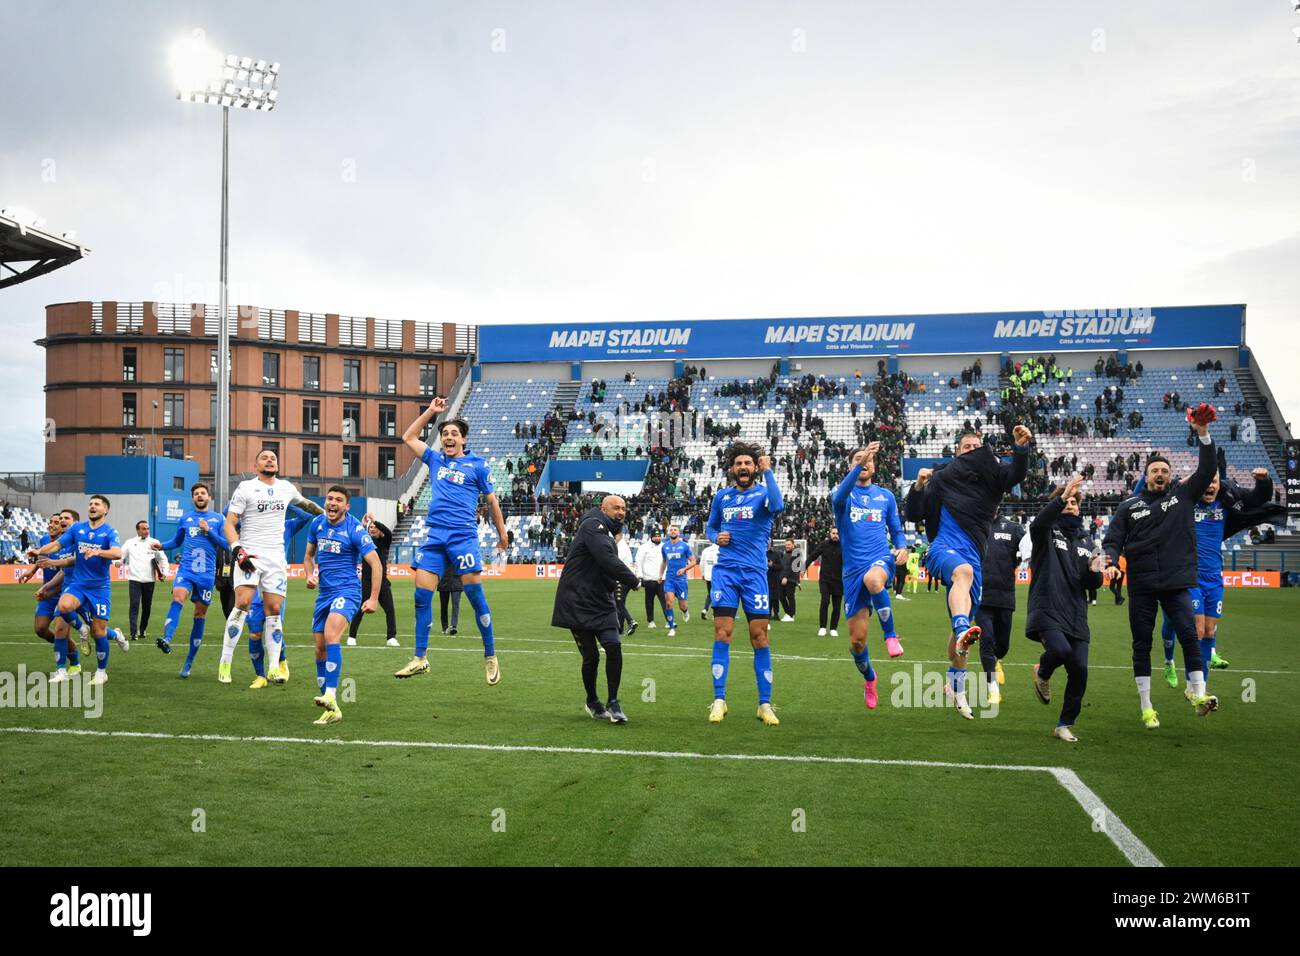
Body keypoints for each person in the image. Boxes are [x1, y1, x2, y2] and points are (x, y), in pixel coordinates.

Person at [1102, 405, 1220, 729]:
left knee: (1188, 635)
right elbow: (1113, 539)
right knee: (1142, 644)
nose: (1159, 475)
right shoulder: (1129, 507)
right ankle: (1146, 706)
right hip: (1141, 585)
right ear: (1146, 476)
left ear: (1170, 475)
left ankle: (1198, 693)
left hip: (1174, 583)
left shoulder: (1183, 495)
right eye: (1154, 471)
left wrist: (1203, 433)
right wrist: (1110, 561)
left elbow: (1208, 468)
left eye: (1164, 471)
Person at [907, 425, 1033, 719]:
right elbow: (914, 514)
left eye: (977, 446)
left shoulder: (992, 478)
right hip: (942, 549)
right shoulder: (942, 479)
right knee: (962, 576)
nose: (973, 451)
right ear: (957, 452)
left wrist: (1021, 449)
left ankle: (956, 687)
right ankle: (963, 626)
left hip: (974, 558)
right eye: (967, 447)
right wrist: (918, 486)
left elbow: (1015, 474)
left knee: (961, 638)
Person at [397, 395, 508, 685]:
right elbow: (408, 436)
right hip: (435, 536)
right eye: (444, 434)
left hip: (463, 537)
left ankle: (490, 655)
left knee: (475, 596)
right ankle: (420, 658)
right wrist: (431, 412)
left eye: (453, 434)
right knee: (421, 595)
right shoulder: (434, 459)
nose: (448, 437)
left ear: (463, 440)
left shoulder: (477, 466)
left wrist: (502, 532)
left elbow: (493, 502)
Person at [219, 450, 323, 686]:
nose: (270, 459)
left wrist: (329, 515)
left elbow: (307, 506)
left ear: (277, 465)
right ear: (255, 466)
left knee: (274, 609)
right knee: (243, 603)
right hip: (251, 552)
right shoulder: (245, 487)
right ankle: (225, 661)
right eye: (264, 457)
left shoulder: (287, 488)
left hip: (276, 557)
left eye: (273, 458)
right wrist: (237, 549)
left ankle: (275, 667)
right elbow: (229, 523)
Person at [705, 442, 784, 725]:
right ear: (731, 469)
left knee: (759, 636)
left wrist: (769, 472)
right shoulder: (722, 497)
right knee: (722, 633)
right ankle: (719, 699)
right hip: (725, 572)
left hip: (754, 574)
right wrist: (716, 538)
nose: (743, 468)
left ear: (755, 468)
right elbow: (710, 527)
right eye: (738, 464)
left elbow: (778, 506)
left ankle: (764, 704)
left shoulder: (764, 494)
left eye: (748, 464)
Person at [1026, 477, 1104, 741]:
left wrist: (1096, 570)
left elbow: (1094, 583)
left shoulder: (1088, 542)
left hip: (1076, 614)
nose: (1071, 505)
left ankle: (1064, 724)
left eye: (1074, 503)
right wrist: (1061, 497)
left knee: (1079, 670)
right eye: (1066, 502)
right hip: (1047, 607)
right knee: (1060, 650)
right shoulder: (1046, 532)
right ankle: (1043, 671)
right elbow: (1039, 523)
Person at [831, 443, 908, 711]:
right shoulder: (842, 495)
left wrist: (902, 547)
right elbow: (838, 497)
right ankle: (870, 679)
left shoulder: (885, 496)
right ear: (853, 464)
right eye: (860, 459)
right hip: (852, 571)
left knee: (874, 580)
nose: (865, 462)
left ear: (875, 466)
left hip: (879, 559)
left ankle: (891, 636)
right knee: (857, 642)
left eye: (869, 460)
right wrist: (857, 461)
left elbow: (896, 529)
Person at [552, 495, 642, 723]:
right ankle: (592, 700)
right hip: (577, 601)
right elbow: (605, 559)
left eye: (624, 508)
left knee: (614, 646)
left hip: (601, 602)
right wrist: (634, 580)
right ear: (603, 509)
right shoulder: (593, 526)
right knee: (590, 657)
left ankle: (613, 702)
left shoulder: (605, 532)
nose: (621, 512)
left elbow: (605, 567)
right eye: (616, 508)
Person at [29, 494, 128, 685]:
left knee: (98, 632)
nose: (92, 506)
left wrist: (98, 551)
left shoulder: (109, 532)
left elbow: (117, 552)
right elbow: (58, 544)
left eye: (97, 504)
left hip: (99, 588)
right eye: (90, 504)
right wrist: (39, 551)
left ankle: (101, 672)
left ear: (105, 510)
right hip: (78, 584)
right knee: (64, 606)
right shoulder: (77, 529)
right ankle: (81, 629)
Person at [303, 486, 382, 724]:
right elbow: (308, 556)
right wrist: (309, 575)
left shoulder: (354, 529)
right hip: (324, 594)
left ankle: (329, 694)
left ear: (347, 506)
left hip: (347, 592)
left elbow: (376, 564)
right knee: (319, 648)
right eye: (330, 499)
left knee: (331, 635)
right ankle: (332, 709)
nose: (333, 503)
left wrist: (374, 598)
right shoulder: (317, 524)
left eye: (339, 500)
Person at [152, 482, 227, 678]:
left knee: (199, 615)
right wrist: (161, 546)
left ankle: (189, 662)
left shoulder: (218, 519)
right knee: (177, 597)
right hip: (186, 570)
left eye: (203, 493)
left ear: (209, 498)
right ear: (192, 498)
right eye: (196, 494)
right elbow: (176, 541)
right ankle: (167, 638)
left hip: (206, 575)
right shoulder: (185, 518)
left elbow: (226, 544)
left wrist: (208, 531)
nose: (199, 496)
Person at [20, 513, 89, 675]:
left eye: (56, 523)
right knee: (40, 629)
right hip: (48, 593)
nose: (52, 525)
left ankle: (73, 662)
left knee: (60, 630)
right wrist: (31, 572)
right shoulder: (44, 541)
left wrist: (50, 592)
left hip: (63, 593)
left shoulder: (68, 546)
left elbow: (65, 576)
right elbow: (42, 558)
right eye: (50, 522)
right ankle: (69, 646)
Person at [976, 511, 1025, 707]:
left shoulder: (1013, 528)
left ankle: (997, 659)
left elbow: (1030, 549)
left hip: (1004, 596)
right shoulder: (974, 525)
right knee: (986, 639)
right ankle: (992, 688)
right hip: (980, 596)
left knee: (1002, 646)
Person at [348, 513, 399, 647]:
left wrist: (375, 520)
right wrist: (364, 523)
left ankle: (391, 637)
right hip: (366, 584)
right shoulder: (365, 543)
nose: (372, 529)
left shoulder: (384, 542)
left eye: (374, 527)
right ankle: (352, 636)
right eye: (370, 528)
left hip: (383, 584)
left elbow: (388, 532)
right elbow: (356, 532)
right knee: (360, 610)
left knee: (390, 611)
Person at [120, 520, 167, 641]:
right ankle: (133, 632)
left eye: (148, 529)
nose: (146, 531)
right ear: (138, 530)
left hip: (149, 580)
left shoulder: (154, 542)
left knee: (147, 607)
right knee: (134, 605)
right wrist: (116, 562)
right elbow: (120, 555)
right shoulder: (130, 543)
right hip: (134, 580)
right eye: (144, 529)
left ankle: (142, 629)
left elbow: (163, 559)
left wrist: (164, 573)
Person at [658, 524, 696, 636]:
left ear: (679, 533)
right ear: (669, 533)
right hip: (669, 579)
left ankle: (685, 611)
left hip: (681, 580)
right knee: (669, 603)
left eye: (675, 530)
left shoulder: (685, 546)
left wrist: (684, 569)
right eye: (671, 530)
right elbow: (664, 561)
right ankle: (671, 628)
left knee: (682, 605)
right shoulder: (665, 547)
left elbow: (693, 561)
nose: (673, 531)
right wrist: (660, 575)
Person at [805, 527, 843, 637]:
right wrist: (804, 566)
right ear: (830, 534)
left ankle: (833, 628)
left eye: (837, 533)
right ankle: (822, 627)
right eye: (833, 533)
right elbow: (813, 555)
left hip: (839, 580)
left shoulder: (845, 546)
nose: (835, 535)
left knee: (837, 606)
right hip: (825, 579)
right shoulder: (824, 544)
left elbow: (852, 559)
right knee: (825, 601)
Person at [634, 530, 667, 628]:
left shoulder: (664, 546)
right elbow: (638, 561)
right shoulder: (644, 547)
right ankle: (650, 621)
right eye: (655, 536)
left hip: (662, 578)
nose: (657, 538)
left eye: (659, 536)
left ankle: (669, 620)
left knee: (665, 601)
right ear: (651, 537)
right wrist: (640, 576)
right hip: (649, 579)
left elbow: (667, 562)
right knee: (649, 601)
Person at [614, 531, 638, 635]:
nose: (614, 538)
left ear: (620, 535)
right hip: (626, 579)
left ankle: (630, 621)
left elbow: (615, 563)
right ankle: (620, 628)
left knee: (618, 604)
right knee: (620, 603)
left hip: (621, 579)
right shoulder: (622, 546)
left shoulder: (621, 547)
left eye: (615, 535)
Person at [776, 537, 802, 622]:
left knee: (790, 597)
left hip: (790, 578)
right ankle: (788, 613)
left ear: (793, 545)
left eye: (789, 544)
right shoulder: (784, 553)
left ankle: (791, 615)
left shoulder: (797, 552)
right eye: (786, 544)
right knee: (781, 596)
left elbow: (792, 567)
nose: (787, 546)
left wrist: (786, 577)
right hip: (782, 577)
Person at [438, 561, 463, 635]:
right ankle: (445, 627)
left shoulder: (458, 553)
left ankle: (453, 626)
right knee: (444, 606)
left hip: (457, 581)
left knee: (456, 604)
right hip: (443, 581)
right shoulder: (442, 554)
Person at [698, 540, 720, 621]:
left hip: (708, 576)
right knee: (717, 594)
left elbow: (701, 563)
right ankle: (714, 614)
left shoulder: (706, 550)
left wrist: (703, 574)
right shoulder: (721, 550)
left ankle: (705, 609)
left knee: (710, 593)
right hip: (718, 576)